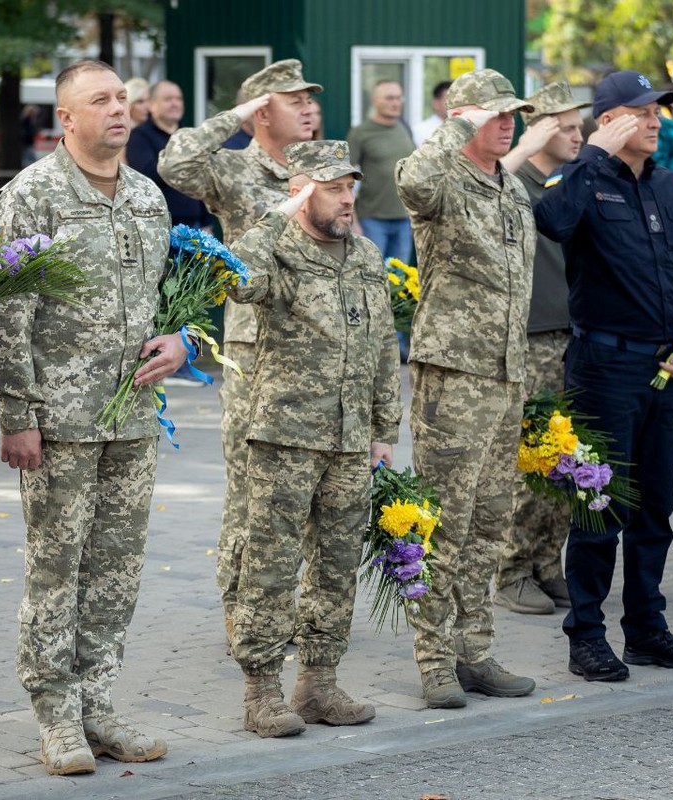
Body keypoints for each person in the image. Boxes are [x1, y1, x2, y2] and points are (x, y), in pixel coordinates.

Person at [0, 60, 182, 776]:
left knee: (116, 572)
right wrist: (18, 412)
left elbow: (166, 296)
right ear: (66, 118)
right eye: (100, 100)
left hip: (132, 416)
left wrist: (181, 339)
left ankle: (99, 703)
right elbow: (7, 310)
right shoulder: (31, 196)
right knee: (56, 570)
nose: (118, 110)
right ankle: (56, 716)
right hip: (60, 421)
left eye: (123, 98)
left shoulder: (148, 195)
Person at [534, 69, 673, 682]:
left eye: (659, 110)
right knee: (598, 502)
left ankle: (646, 629)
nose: (656, 120)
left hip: (663, 368)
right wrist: (593, 154)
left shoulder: (670, 187)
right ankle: (586, 634)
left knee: (655, 505)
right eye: (641, 111)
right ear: (609, 121)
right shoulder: (582, 180)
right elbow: (552, 220)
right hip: (602, 366)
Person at [226, 140, 401, 737]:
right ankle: (260, 692)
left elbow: (383, 346)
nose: (347, 197)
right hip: (285, 437)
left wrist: (385, 430)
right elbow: (233, 280)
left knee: (335, 566)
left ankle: (318, 684)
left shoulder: (367, 255)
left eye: (350, 185)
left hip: (351, 440)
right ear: (301, 191)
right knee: (271, 568)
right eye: (331, 187)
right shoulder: (277, 251)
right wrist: (274, 217)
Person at [158, 59, 321, 646]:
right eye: (292, 99)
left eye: (310, 99)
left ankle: (293, 606)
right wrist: (232, 117)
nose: (308, 108)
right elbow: (175, 162)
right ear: (261, 112)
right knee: (253, 486)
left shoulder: (319, 167)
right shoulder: (232, 169)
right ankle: (242, 608)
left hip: (322, 347)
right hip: (259, 346)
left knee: (309, 490)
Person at [394, 69, 538, 709]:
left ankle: (474, 651)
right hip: (453, 376)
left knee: (488, 523)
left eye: (514, 115)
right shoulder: (444, 179)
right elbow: (411, 179)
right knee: (443, 526)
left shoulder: (510, 187)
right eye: (497, 115)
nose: (508, 124)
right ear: (465, 119)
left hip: (506, 374)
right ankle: (433, 662)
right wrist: (459, 121)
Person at [494, 81, 590, 615]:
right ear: (542, 128)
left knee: (566, 459)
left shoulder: (567, 180)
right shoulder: (515, 182)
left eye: (580, 127)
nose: (579, 136)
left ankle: (548, 562)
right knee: (530, 457)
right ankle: (511, 570)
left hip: (573, 332)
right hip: (533, 335)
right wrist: (525, 147)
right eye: (567, 127)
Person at [125, 80, 214, 230]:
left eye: (178, 99)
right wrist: (182, 160)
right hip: (159, 226)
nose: (175, 103)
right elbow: (145, 176)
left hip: (196, 226)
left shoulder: (190, 136)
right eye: (168, 99)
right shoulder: (139, 137)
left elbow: (203, 180)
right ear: (152, 105)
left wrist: (207, 223)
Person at [347, 80, 415, 263]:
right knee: (372, 275)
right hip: (372, 219)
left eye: (399, 98)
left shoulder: (404, 129)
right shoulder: (360, 133)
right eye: (390, 98)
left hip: (404, 220)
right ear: (375, 101)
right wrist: (353, 221)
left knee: (401, 282)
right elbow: (345, 179)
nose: (396, 103)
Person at [412, 80, 452, 145]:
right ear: (435, 103)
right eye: (449, 100)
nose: (454, 103)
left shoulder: (466, 130)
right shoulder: (419, 131)